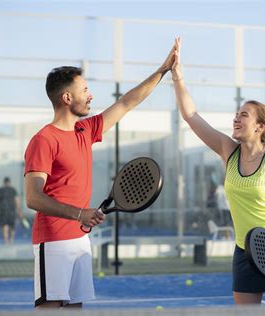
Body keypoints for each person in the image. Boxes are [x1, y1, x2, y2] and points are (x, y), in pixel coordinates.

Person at [24, 42, 176, 309]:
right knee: (50, 309)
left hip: (80, 240)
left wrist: (162, 70)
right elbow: (33, 197)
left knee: (75, 308)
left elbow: (127, 102)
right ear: (67, 98)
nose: (90, 95)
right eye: (84, 90)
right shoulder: (44, 140)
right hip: (53, 240)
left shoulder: (86, 130)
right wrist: (79, 214)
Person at [170, 37, 265, 304]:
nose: (236, 118)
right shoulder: (228, 151)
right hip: (245, 251)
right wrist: (177, 76)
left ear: (260, 127)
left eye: (244, 115)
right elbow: (191, 116)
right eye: (236, 114)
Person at [0, 177, 23, 244]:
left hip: (3, 211)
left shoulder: (0, 190)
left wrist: (0, 206)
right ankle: (11, 240)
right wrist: (19, 211)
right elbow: (17, 201)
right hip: (12, 211)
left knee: (5, 226)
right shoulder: (13, 190)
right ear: (9, 182)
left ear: (4, 182)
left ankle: (6, 241)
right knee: (12, 226)